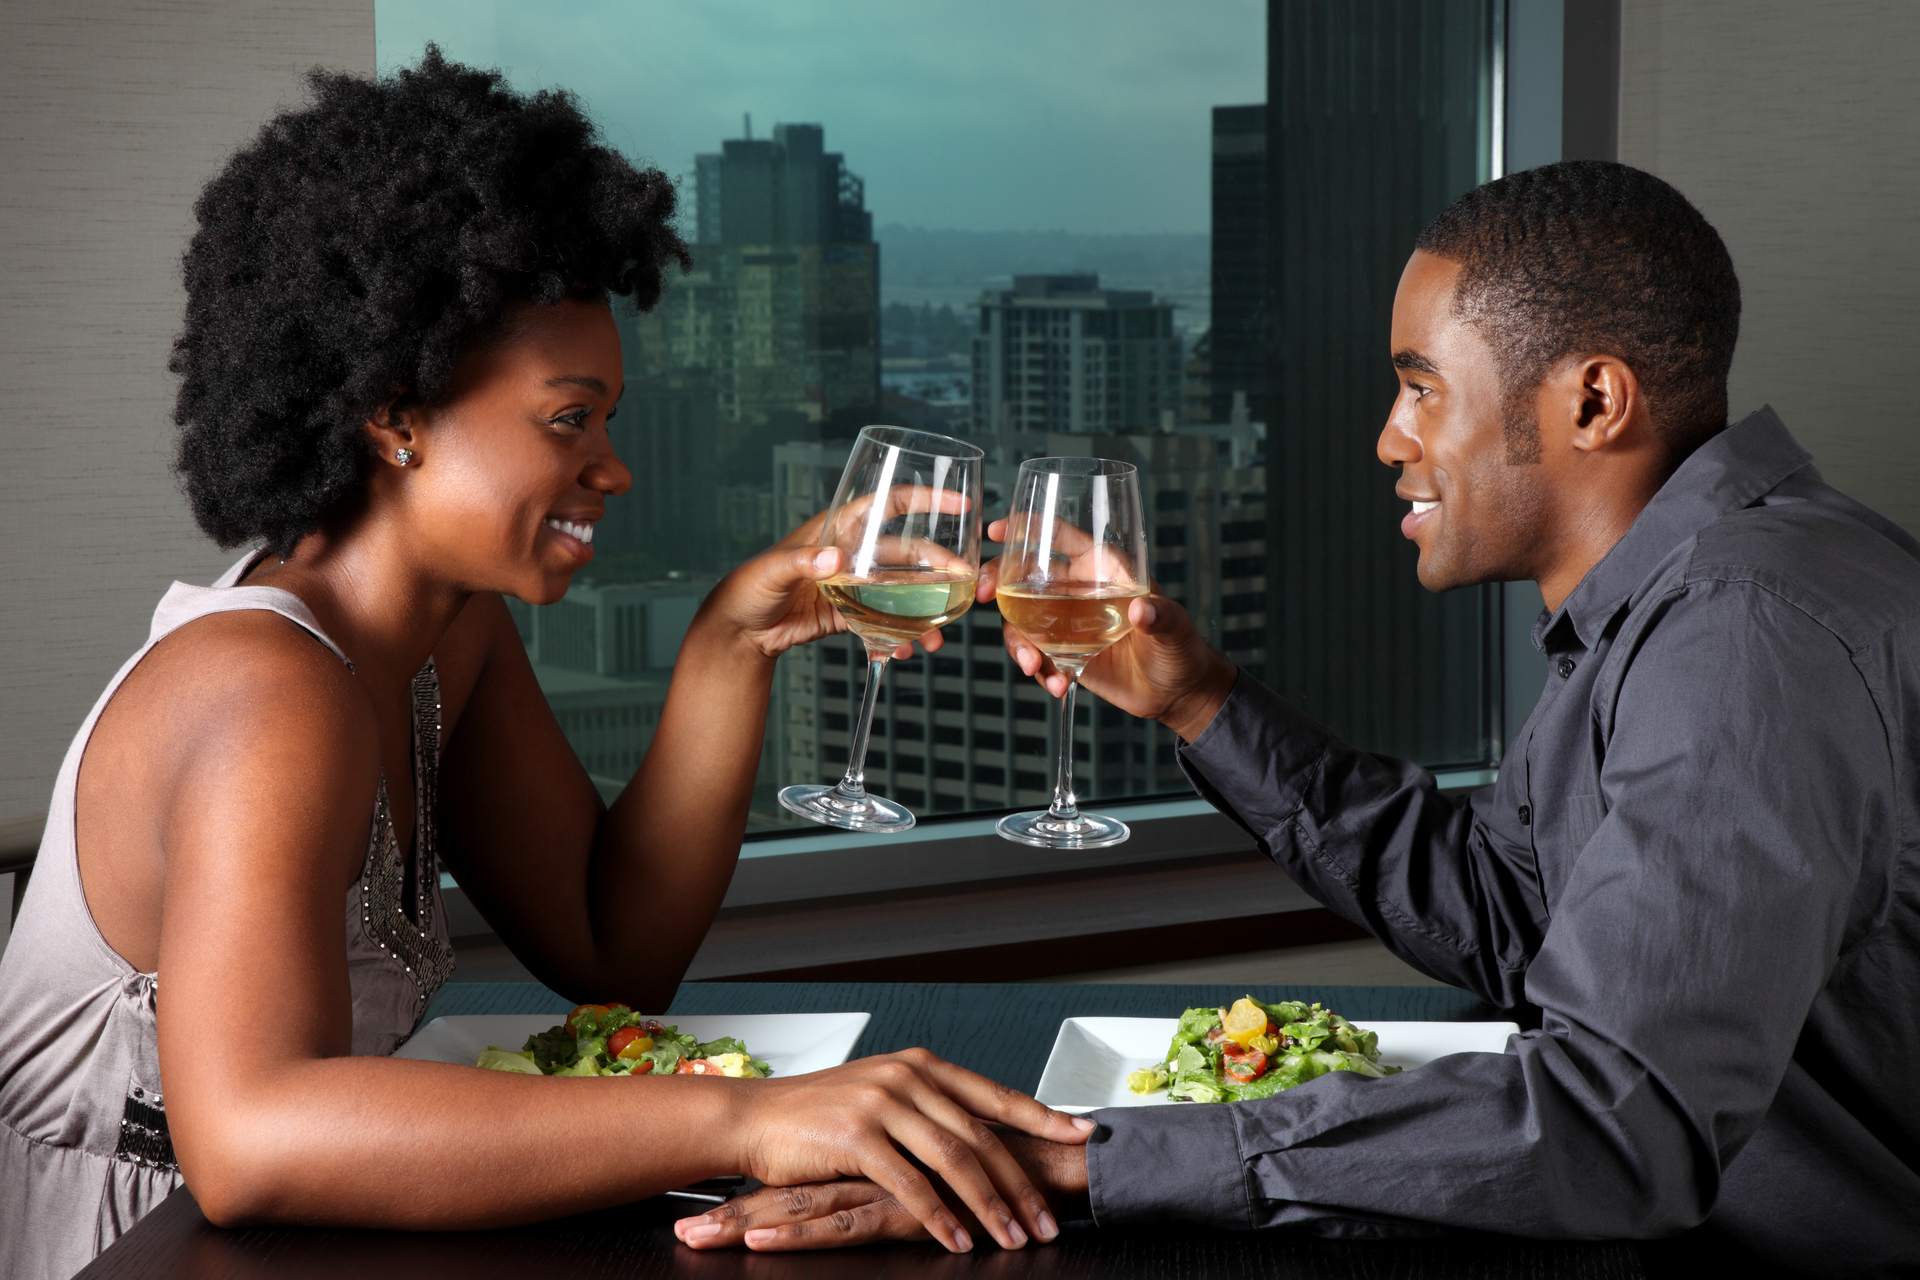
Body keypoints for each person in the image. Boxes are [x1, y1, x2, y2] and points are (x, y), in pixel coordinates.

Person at [676, 161, 1920, 1276]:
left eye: (1421, 389)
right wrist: (1198, 697)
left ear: (1593, 402)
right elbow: (1511, 917)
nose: (1391, 439)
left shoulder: (1748, 637)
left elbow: (1613, 1125)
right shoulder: (1682, 599)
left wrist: (1080, 1164)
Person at [0, 50, 1092, 1280]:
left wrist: (735, 635)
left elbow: (610, 944)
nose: (613, 466)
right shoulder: (265, 689)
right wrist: (751, 1118)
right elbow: (252, 1140)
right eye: (570, 419)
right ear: (396, 416)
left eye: (612, 419)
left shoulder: (445, 634)